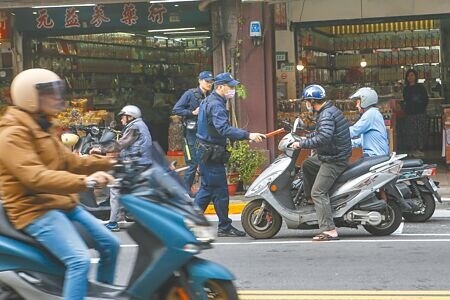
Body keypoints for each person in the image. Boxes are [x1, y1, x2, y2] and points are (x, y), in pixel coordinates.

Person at [0, 68, 120, 300]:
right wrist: (85, 181)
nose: (57, 98)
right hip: (35, 209)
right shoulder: (12, 134)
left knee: (111, 244)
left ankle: (101, 295)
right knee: (79, 261)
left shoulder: (42, 126)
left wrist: (109, 163)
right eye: (49, 93)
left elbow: (69, 160)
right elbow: (36, 177)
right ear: (29, 97)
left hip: (62, 204)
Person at [194, 72, 265, 237]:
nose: (233, 89)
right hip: (211, 153)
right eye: (230, 86)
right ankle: (223, 227)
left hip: (207, 152)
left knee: (207, 189)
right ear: (220, 87)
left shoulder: (210, 101)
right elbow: (223, 129)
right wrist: (248, 135)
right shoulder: (216, 105)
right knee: (219, 191)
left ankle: (192, 223)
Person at [292, 84, 351, 241]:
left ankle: (329, 230)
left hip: (334, 159)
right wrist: (307, 137)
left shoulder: (326, 115)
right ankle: (311, 201)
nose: (306, 105)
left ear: (312, 101)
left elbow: (324, 137)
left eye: (306, 102)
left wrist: (302, 144)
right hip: (329, 154)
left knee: (318, 191)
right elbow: (322, 133)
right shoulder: (327, 111)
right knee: (307, 164)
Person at [91, 105, 152, 232]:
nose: (122, 120)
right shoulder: (138, 125)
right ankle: (126, 215)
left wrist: (100, 149)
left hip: (135, 164)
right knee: (127, 191)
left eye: (123, 117)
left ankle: (113, 222)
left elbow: (120, 144)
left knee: (115, 188)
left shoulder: (135, 127)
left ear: (131, 117)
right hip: (138, 163)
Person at [172, 71, 214, 196]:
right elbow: (176, 109)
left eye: (211, 82)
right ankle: (185, 191)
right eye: (207, 81)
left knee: (206, 162)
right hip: (191, 134)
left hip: (206, 134)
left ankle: (204, 190)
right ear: (200, 81)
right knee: (193, 163)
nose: (209, 84)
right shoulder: (190, 94)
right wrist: (192, 113)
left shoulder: (211, 96)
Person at [349, 87, 389, 157]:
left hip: (374, 156)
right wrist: (350, 143)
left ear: (365, 101)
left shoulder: (370, 114)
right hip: (376, 156)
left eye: (358, 102)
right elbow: (365, 140)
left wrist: (336, 135)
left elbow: (354, 131)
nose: (356, 105)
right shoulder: (374, 113)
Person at [403, 68, 429, 157]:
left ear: (415, 77)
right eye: (408, 76)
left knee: (421, 130)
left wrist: (421, 107)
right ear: (406, 78)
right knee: (411, 131)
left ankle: (421, 148)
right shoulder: (406, 89)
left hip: (420, 112)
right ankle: (413, 148)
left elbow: (426, 99)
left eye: (412, 75)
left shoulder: (421, 87)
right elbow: (406, 100)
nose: (410, 77)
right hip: (410, 113)